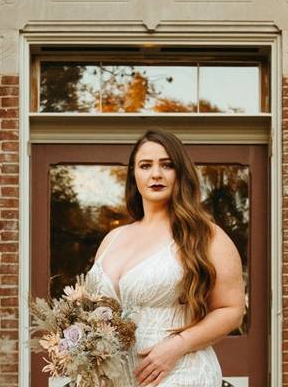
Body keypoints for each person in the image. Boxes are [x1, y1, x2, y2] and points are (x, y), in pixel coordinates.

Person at [85, 129, 246, 387]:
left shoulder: (206, 235)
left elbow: (231, 310)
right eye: (145, 165)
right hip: (114, 379)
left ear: (180, 173)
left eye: (167, 165)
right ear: (134, 176)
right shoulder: (113, 238)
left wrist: (176, 347)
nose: (156, 174)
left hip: (180, 372)